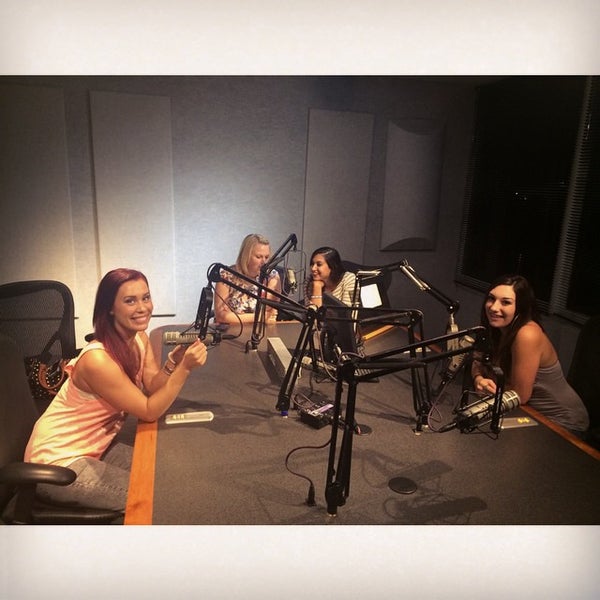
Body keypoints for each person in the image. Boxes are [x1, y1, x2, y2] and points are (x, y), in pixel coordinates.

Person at [24, 268, 208, 512]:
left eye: (145, 297)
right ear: (110, 308)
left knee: (167, 473)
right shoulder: (98, 361)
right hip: (58, 464)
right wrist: (185, 369)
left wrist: (173, 363)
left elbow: (153, 386)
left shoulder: (139, 338)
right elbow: (149, 411)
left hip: (96, 447)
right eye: (130, 301)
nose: (142, 307)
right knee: (159, 501)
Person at [471, 274, 589, 435]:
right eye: (491, 299)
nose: (493, 307)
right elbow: (477, 360)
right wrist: (479, 379)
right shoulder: (495, 327)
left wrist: (489, 383)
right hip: (527, 411)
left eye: (505, 302)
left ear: (520, 307)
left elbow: (520, 395)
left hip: (561, 421)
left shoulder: (527, 334)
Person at [214, 233, 281, 325]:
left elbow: (269, 314)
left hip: (261, 331)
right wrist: (259, 317)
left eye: (266, 257)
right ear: (246, 256)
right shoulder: (226, 276)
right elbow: (221, 316)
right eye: (258, 257)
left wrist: (234, 317)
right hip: (231, 331)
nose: (264, 262)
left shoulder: (272, 277)